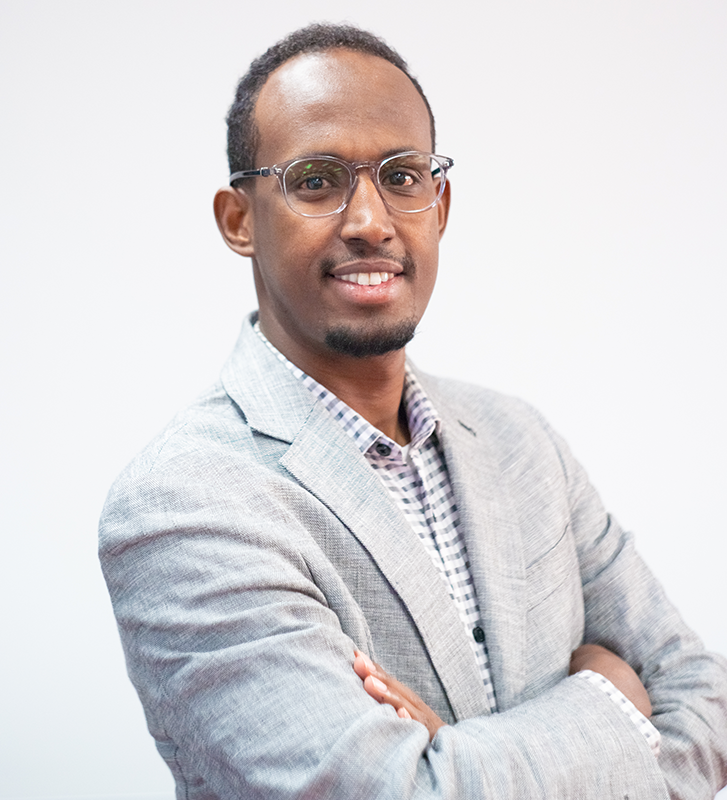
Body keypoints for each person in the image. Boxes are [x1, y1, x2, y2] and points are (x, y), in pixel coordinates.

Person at [99, 23, 727, 800]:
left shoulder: (521, 442)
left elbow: (705, 699)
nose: (370, 220)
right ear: (239, 219)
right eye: (318, 180)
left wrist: (452, 754)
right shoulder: (185, 504)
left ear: (440, 202)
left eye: (402, 176)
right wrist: (614, 702)